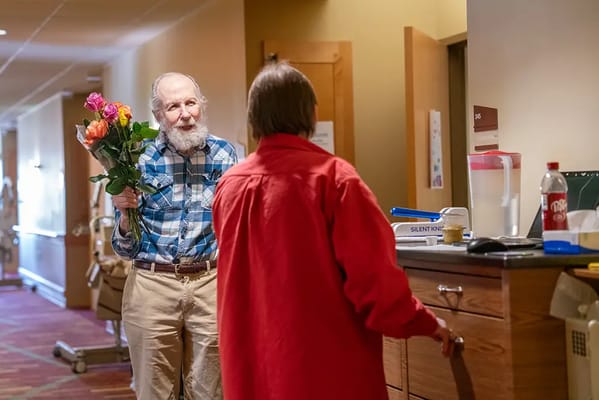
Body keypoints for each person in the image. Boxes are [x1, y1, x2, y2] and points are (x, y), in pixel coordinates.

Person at [212, 62, 454, 400]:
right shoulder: (334, 179)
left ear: (253, 118)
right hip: (324, 370)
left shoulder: (229, 186)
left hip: (250, 371)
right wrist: (424, 321)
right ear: (311, 114)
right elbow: (375, 283)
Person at [111, 72, 237, 400]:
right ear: (158, 116)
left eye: (190, 103)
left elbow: (235, 228)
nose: (184, 113)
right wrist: (124, 214)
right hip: (152, 286)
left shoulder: (226, 156)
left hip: (210, 284)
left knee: (211, 392)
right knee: (155, 393)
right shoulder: (137, 160)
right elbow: (125, 247)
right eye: (173, 106)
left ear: (201, 106)